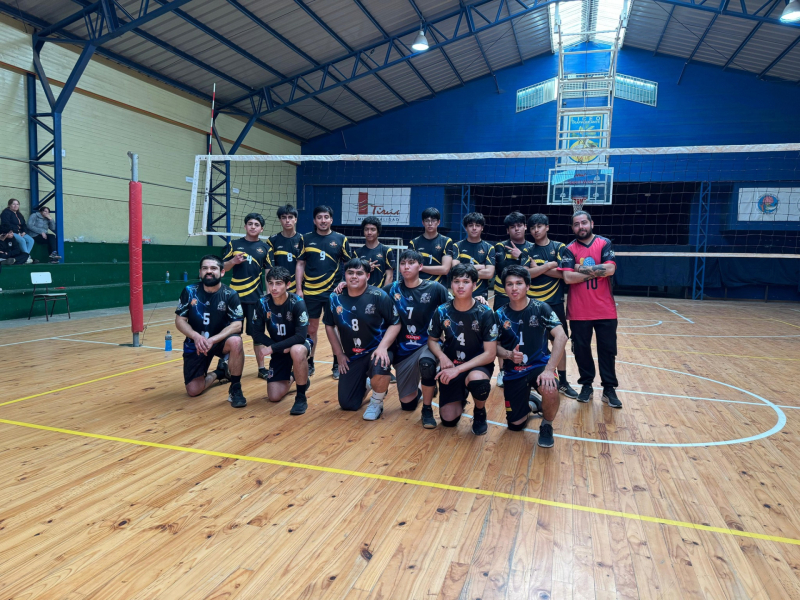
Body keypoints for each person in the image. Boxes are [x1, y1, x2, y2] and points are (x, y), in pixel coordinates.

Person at [495, 265, 568, 448]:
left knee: (549, 387)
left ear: (527, 286)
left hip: (539, 366)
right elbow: (493, 347)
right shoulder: (499, 314)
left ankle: (547, 425)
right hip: (514, 370)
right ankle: (533, 404)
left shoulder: (541, 308)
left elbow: (561, 336)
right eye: (509, 284)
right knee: (515, 425)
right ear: (504, 288)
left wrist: (550, 370)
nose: (514, 288)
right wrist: (508, 354)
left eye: (519, 283)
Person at [324, 257, 401, 419]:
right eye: (350, 273)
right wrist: (339, 354)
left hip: (376, 350)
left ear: (367, 276)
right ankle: (369, 384)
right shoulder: (335, 298)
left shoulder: (378, 295)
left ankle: (377, 402)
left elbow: (396, 323)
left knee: (380, 364)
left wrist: (383, 348)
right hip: (353, 355)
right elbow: (329, 325)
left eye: (359, 273)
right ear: (344, 275)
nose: (354, 276)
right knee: (348, 404)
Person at [559, 210, 621, 408]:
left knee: (607, 350)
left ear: (591, 223)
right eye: (576, 224)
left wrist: (578, 268)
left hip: (605, 310)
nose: (581, 227)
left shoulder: (604, 243)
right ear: (572, 228)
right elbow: (568, 278)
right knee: (581, 350)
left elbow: (610, 269)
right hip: (579, 311)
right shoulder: (569, 249)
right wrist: (597, 271)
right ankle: (586, 385)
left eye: (584, 223)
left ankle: (609, 389)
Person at [427, 263, 498, 435]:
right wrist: (442, 357)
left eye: (466, 282)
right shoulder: (442, 311)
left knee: (477, 381)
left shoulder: (485, 312)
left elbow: (490, 354)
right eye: (456, 281)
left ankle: (479, 411)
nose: (460, 286)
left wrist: (458, 370)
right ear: (451, 284)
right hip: (451, 364)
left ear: (474, 285)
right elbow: (432, 340)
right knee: (448, 420)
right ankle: (462, 392)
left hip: (477, 366)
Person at [385, 249, 449, 429]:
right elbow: (369, 296)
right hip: (403, 350)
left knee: (427, 365)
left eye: (411, 263)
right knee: (407, 405)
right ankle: (425, 388)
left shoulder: (435, 288)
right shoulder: (391, 289)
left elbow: (456, 305)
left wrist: (478, 299)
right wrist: (346, 286)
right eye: (403, 263)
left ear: (420, 266)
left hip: (427, 344)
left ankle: (427, 409)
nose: (406, 267)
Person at [174, 255, 247, 408]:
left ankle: (235, 388)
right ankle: (220, 373)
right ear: (200, 272)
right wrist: (195, 336)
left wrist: (214, 339)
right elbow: (179, 320)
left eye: (213, 268)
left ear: (222, 272)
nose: (209, 271)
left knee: (236, 341)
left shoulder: (230, 294)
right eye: (205, 268)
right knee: (193, 390)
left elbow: (237, 325)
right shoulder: (189, 291)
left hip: (219, 342)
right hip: (197, 343)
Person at [296, 205, 352, 380]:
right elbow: (300, 264)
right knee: (311, 328)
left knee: (335, 327)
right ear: (314, 220)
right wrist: (299, 289)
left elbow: (349, 264)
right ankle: (310, 362)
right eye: (319, 217)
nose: (323, 220)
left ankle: (337, 363)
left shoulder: (341, 239)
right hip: (311, 292)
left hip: (333, 292)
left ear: (331, 220)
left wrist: (345, 282)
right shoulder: (305, 238)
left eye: (326, 217)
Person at [527, 214, 578, 399]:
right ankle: (532, 379)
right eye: (533, 227)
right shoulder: (527, 249)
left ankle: (563, 382)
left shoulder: (559, 247)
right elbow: (527, 274)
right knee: (532, 343)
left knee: (558, 342)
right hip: (532, 305)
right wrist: (549, 265)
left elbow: (564, 274)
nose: (536, 230)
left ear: (547, 227)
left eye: (540, 226)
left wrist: (538, 268)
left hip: (554, 303)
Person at [252, 267, 312, 416]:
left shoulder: (297, 303)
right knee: (274, 396)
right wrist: (277, 347)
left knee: (296, 350)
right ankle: (295, 376)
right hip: (279, 348)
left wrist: (272, 348)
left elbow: (301, 336)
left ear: (288, 284)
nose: (273, 288)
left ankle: (301, 397)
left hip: (299, 345)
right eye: (270, 283)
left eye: (278, 283)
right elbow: (256, 333)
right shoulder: (262, 303)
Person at [222, 213, 271, 379]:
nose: (253, 227)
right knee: (232, 335)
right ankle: (227, 368)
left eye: (256, 224)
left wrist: (269, 297)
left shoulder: (265, 248)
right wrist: (233, 262)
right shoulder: (234, 244)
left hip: (255, 299)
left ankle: (262, 368)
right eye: (250, 224)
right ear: (245, 226)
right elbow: (223, 268)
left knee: (257, 335)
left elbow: (268, 273)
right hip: (234, 299)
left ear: (261, 229)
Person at [492, 211, 533, 388]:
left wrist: (520, 256)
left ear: (525, 227)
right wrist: (523, 260)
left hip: (526, 297)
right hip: (502, 296)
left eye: (519, 225)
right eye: (512, 227)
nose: (516, 229)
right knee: (502, 335)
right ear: (508, 230)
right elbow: (502, 270)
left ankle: (529, 367)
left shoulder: (532, 246)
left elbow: (532, 272)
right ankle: (503, 371)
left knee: (527, 333)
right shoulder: (500, 246)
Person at [453, 212, 495, 299]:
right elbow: (456, 270)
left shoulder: (489, 248)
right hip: (460, 294)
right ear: (466, 228)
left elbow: (489, 274)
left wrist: (463, 271)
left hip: (481, 296)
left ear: (482, 228)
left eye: (478, 225)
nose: (474, 228)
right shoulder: (456, 246)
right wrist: (479, 267)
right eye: (471, 225)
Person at [408, 208, 454, 285]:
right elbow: (410, 267)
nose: (430, 223)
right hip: (418, 286)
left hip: (439, 286)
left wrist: (420, 267)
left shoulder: (446, 241)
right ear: (423, 222)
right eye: (427, 221)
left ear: (438, 222)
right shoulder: (414, 243)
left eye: (433, 220)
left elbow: (445, 269)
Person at [267, 204, 304, 294]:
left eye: (290, 217)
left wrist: (299, 289)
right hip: (278, 287)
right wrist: (269, 291)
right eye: (284, 217)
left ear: (296, 219)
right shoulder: (272, 240)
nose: (287, 220)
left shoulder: (303, 239)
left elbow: (304, 265)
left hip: (298, 287)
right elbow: (269, 267)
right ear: (280, 220)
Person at [355, 216, 394, 287]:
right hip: (362, 291)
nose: (369, 232)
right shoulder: (357, 253)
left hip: (381, 291)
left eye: (373, 229)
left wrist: (383, 293)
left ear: (378, 232)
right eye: (366, 229)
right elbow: (354, 275)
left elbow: (390, 276)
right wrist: (365, 269)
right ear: (363, 232)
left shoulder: (387, 251)